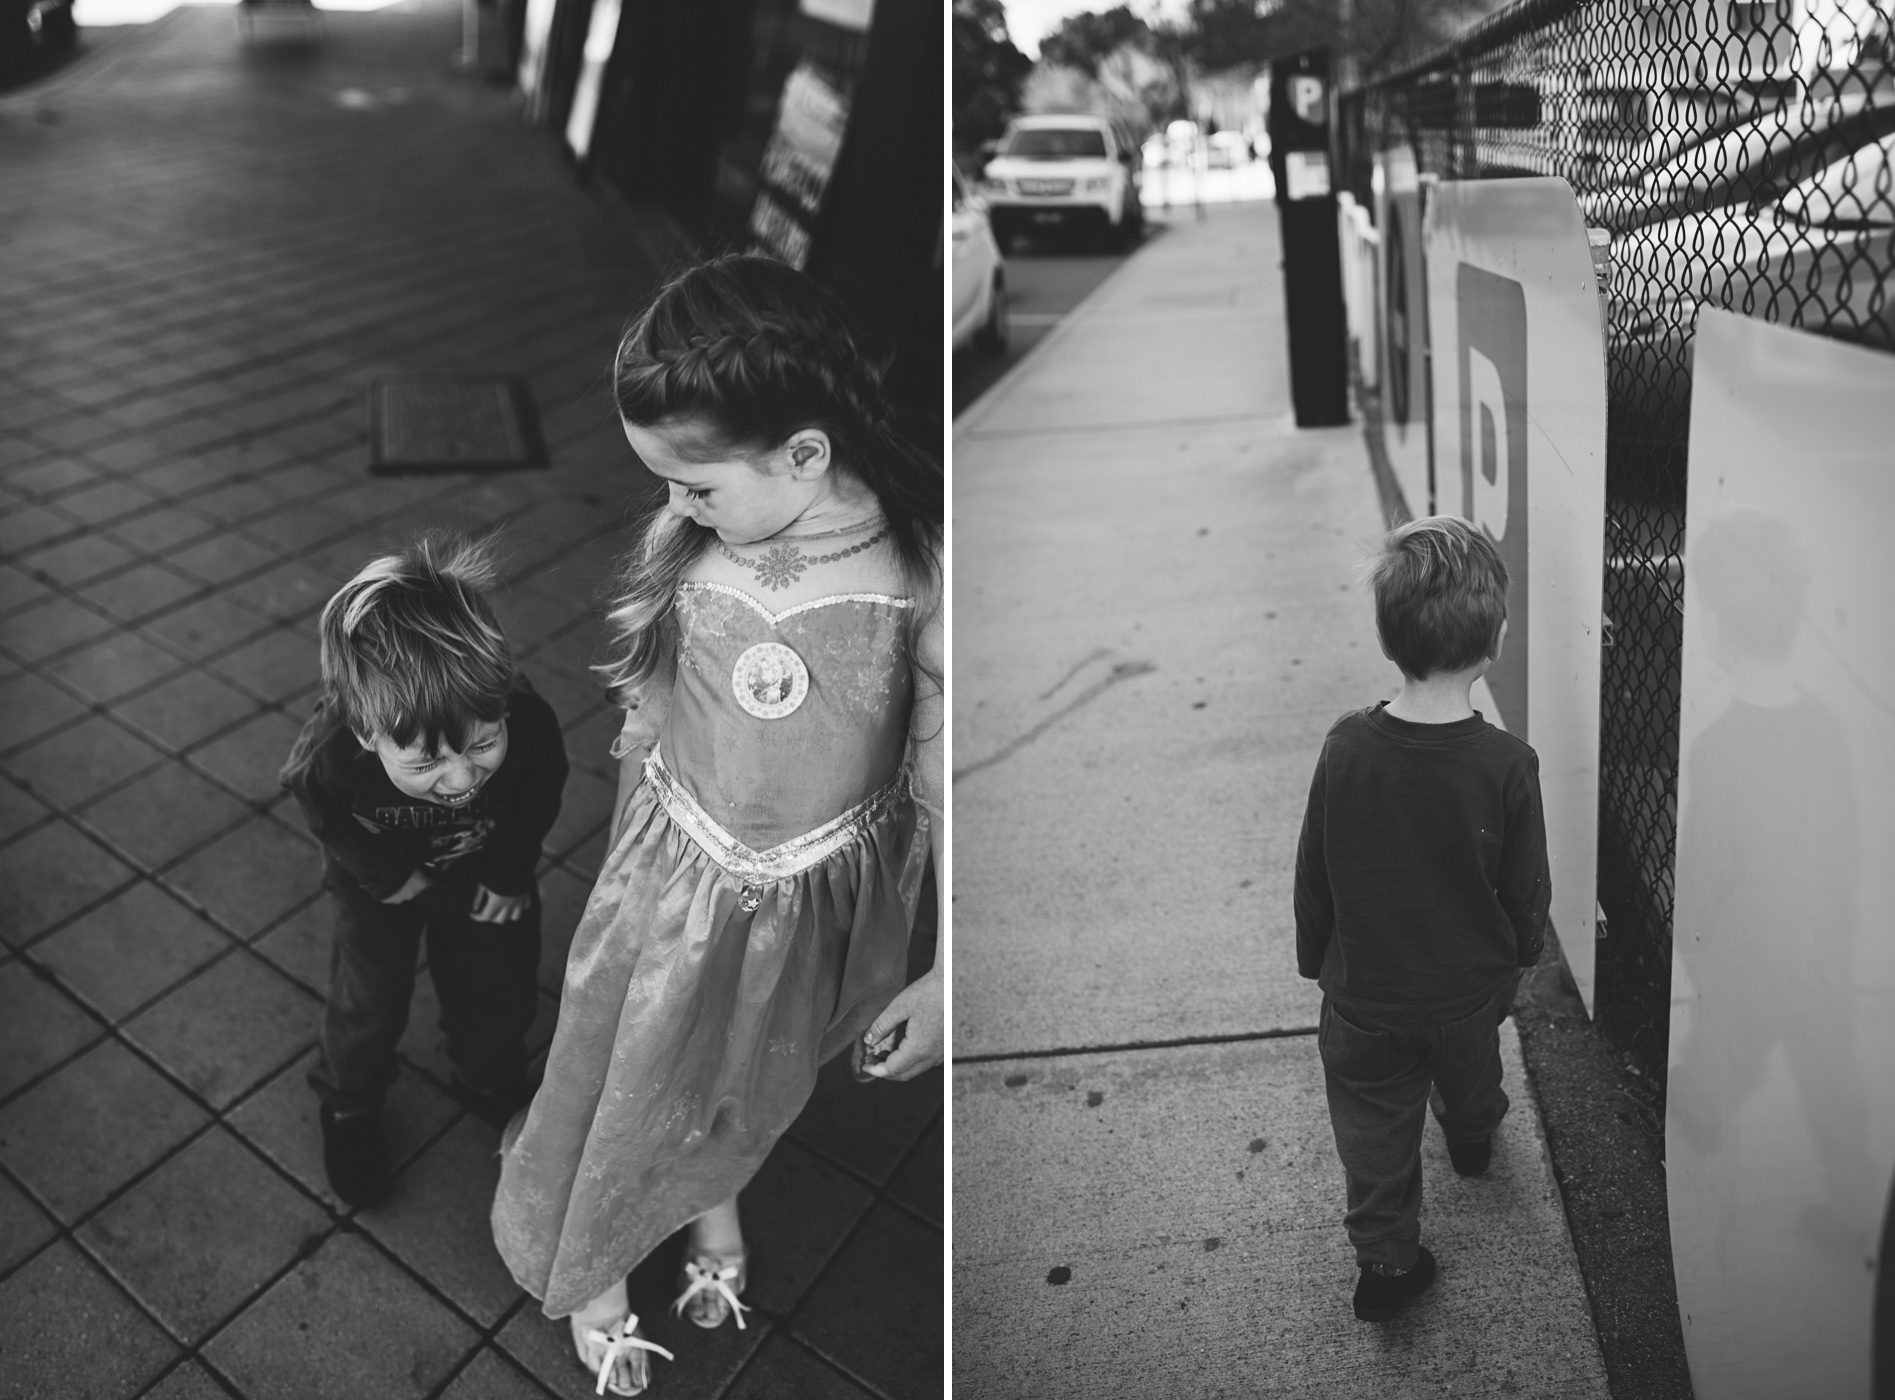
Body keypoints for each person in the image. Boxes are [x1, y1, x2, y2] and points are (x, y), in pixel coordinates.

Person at [490, 254, 944, 1396]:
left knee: (742, 1078)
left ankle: (711, 1190)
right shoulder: (694, 545)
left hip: (807, 902)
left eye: (695, 485)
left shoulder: (920, 575)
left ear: (803, 452)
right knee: (627, 1065)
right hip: (671, 875)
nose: (675, 508)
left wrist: (949, 978)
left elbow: (950, 781)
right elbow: (653, 704)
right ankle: (593, 1258)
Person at [1292, 514, 1548, 1323]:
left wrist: (1315, 958)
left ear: (1387, 640)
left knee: (1372, 1133)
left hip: (1364, 1001)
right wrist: (1521, 954)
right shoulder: (1507, 766)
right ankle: (1472, 1140)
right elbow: (1524, 887)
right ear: (1496, 640)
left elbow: (1313, 872)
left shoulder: (1345, 748)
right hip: (1469, 991)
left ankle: (1385, 1262)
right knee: (1472, 1077)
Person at [281, 533, 568, 1207]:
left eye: (482, 743)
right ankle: (349, 1100)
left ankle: (489, 1073)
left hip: (483, 871)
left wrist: (509, 871)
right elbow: (313, 799)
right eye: (425, 763)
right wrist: (380, 873)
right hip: (376, 886)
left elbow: (538, 791)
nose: (461, 778)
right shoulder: (333, 749)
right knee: (368, 994)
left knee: (497, 976)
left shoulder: (525, 720)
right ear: (364, 732)